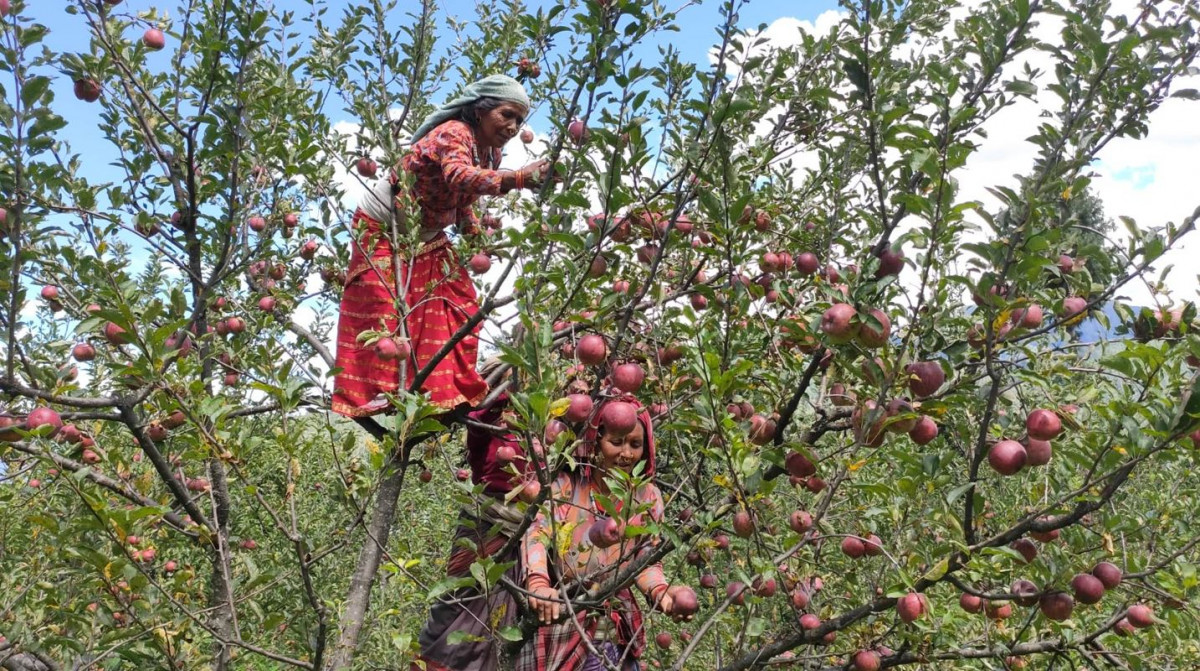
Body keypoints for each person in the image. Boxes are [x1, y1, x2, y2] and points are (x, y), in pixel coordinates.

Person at [331, 74, 555, 417]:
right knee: (383, 305)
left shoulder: (490, 153)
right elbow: (458, 176)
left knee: (459, 300)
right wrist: (517, 178)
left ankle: (440, 390)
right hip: (383, 226)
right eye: (507, 115)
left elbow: (462, 198)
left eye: (520, 120)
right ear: (480, 110)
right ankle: (380, 392)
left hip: (429, 233)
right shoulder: (455, 132)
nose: (513, 126)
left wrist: (475, 235)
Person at [517, 396, 692, 671]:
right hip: (566, 612)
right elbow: (537, 533)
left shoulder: (647, 497)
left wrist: (660, 591)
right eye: (617, 442)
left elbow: (645, 559)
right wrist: (538, 585)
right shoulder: (566, 486)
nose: (627, 453)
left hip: (615, 619)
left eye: (635, 444)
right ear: (595, 441)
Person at [412, 382, 535, 671]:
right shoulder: (486, 424)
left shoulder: (537, 429)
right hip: (484, 524)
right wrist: (503, 389)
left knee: (499, 622)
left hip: (526, 531)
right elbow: (479, 417)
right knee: (458, 608)